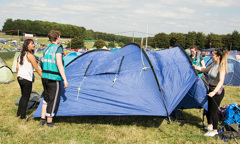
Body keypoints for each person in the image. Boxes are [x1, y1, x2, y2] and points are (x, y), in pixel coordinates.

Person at [193, 48, 229, 137]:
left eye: (213, 55)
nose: (211, 56)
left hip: (217, 92)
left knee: (213, 111)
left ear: (218, 57)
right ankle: (209, 126)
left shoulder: (221, 67)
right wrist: (195, 67)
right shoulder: (214, 64)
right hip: (211, 89)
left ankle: (215, 130)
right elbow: (205, 70)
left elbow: (221, 81)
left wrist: (214, 92)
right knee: (208, 109)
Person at [39, 30, 68, 127]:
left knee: (46, 98)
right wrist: (64, 79)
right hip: (54, 77)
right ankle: (49, 122)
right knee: (53, 99)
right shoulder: (58, 48)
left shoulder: (47, 48)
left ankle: (42, 119)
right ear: (57, 38)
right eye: (59, 37)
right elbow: (59, 64)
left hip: (44, 76)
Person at [16, 39, 42, 119]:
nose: (33, 45)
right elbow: (37, 68)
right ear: (27, 45)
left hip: (20, 77)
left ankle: (18, 113)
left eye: (33, 44)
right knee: (26, 97)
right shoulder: (30, 55)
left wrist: (19, 74)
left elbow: (17, 67)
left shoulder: (21, 54)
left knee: (23, 95)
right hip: (26, 79)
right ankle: (22, 116)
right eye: (32, 44)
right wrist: (43, 77)